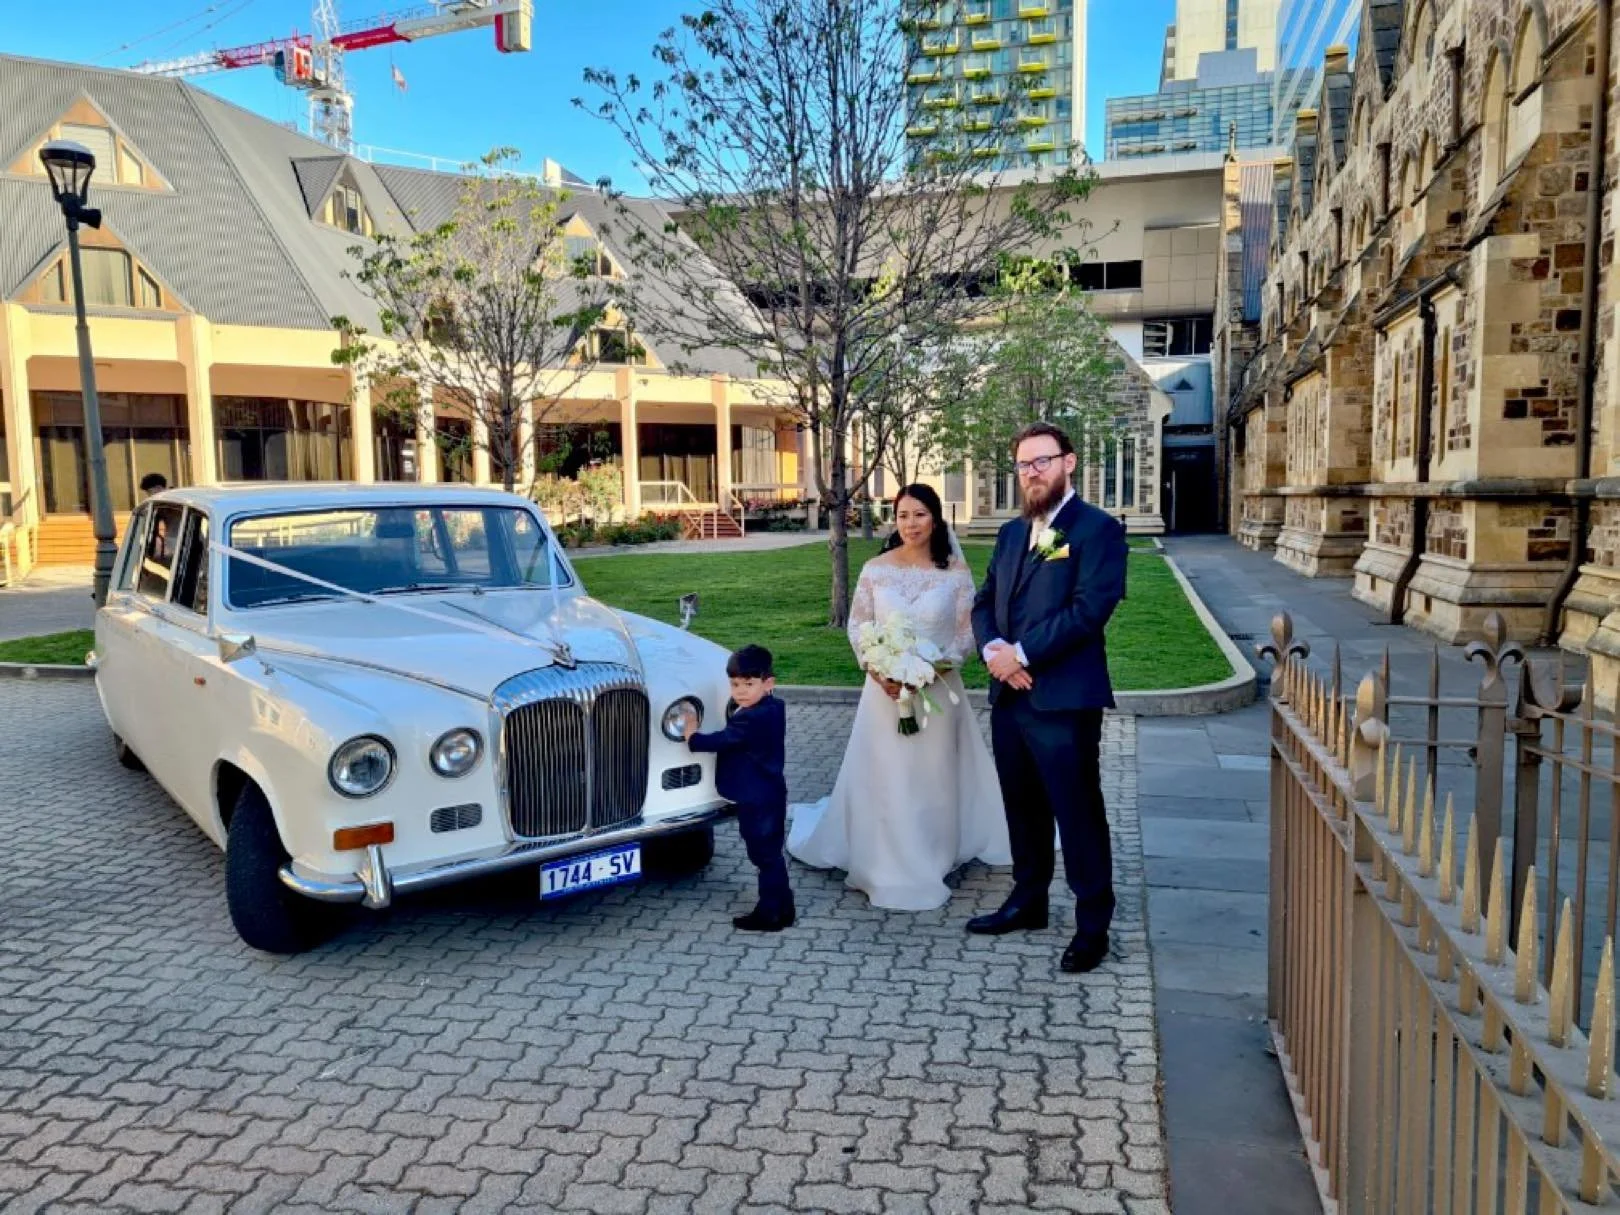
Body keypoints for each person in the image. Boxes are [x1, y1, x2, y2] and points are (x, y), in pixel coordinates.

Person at [787, 484, 1011, 911]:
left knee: (933, 772)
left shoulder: (956, 574)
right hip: (883, 693)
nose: (911, 524)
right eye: (903, 515)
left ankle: (934, 848)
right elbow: (859, 626)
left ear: (936, 519)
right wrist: (879, 670)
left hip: (938, 693)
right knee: (886, 770)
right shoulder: (875, 569)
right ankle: (884, 852)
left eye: (920, 515)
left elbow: (968, 632)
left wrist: (935, 670)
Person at [970, 421, 1129, 974]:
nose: (1031, 473)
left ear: (1069, 462)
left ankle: (1092, 925)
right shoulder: (1013, 533)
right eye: (1023, 465)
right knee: (1023, 806)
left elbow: (1089, 611)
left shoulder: (1098, 530)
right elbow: (985, 598)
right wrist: (995, 651)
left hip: (1063, 699)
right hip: (1011, 698)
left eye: (1042, 461)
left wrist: (1023, 654)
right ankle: (1028, 900)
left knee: (1078, 812)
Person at [683, 645, 794, 932]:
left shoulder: (749, 717)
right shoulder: (774, 707)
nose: (741, 691)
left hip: (755, 798)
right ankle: (784, 906)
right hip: (772, 792)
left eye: (749, 684)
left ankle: (769, 913)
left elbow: (724, 739)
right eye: (734, 684)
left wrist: (692, 736)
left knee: (762, 855)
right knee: (772, 854)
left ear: (768, 683)